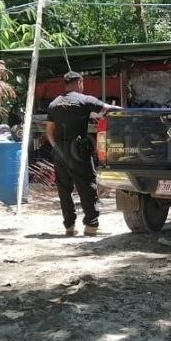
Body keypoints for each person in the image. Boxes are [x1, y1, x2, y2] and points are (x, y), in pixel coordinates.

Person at [45, 71, 119, 236]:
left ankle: (69, 226)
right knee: (86, 186)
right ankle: (91, 226)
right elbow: (108, 109)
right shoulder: (84, 99)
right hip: (77, 149)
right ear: (79, 82)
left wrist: (56, 147)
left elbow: (49, 131)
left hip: (59, 150)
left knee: (64, 189)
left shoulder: (54, 104)